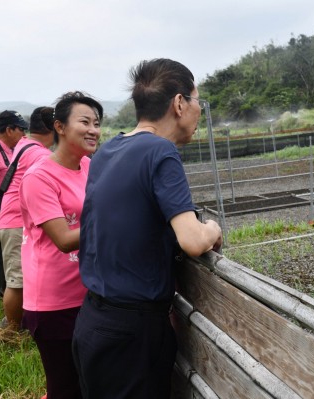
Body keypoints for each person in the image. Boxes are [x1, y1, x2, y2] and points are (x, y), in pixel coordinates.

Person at [73, 58, 222, 399]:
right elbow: (193, 240)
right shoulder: (161, 151)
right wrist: (212, 227)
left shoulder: (108, 150)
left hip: (94, 320)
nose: (199, 111)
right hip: (132, 333)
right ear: (179, 103)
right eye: (197, 101)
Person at [20, 92, 102, 399]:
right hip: (54, 302)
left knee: (87, 381)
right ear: (60, 126)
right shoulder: (39, 176)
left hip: (88, 291)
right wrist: (112, 223)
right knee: (64, 387)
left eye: (97, 122)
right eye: (84, 121)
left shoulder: (88, 165)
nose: (93, 129)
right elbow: (64, 239)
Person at [0, 106, 55, 331]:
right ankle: (10, 331)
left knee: (20, 277)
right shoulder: (40, 154)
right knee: (17, 281)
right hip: (15, 222)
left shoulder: (25, 145)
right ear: (56, 128)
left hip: (11, 219)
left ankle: (17, 322)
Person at [0, 110, 27, 299]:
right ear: (9, 130)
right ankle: (5, 295)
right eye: (21, 130)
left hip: (11, 213)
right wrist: (3, 194)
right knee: (4, 258)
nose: (24, 135)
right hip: (1, 213)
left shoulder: (11, 149)